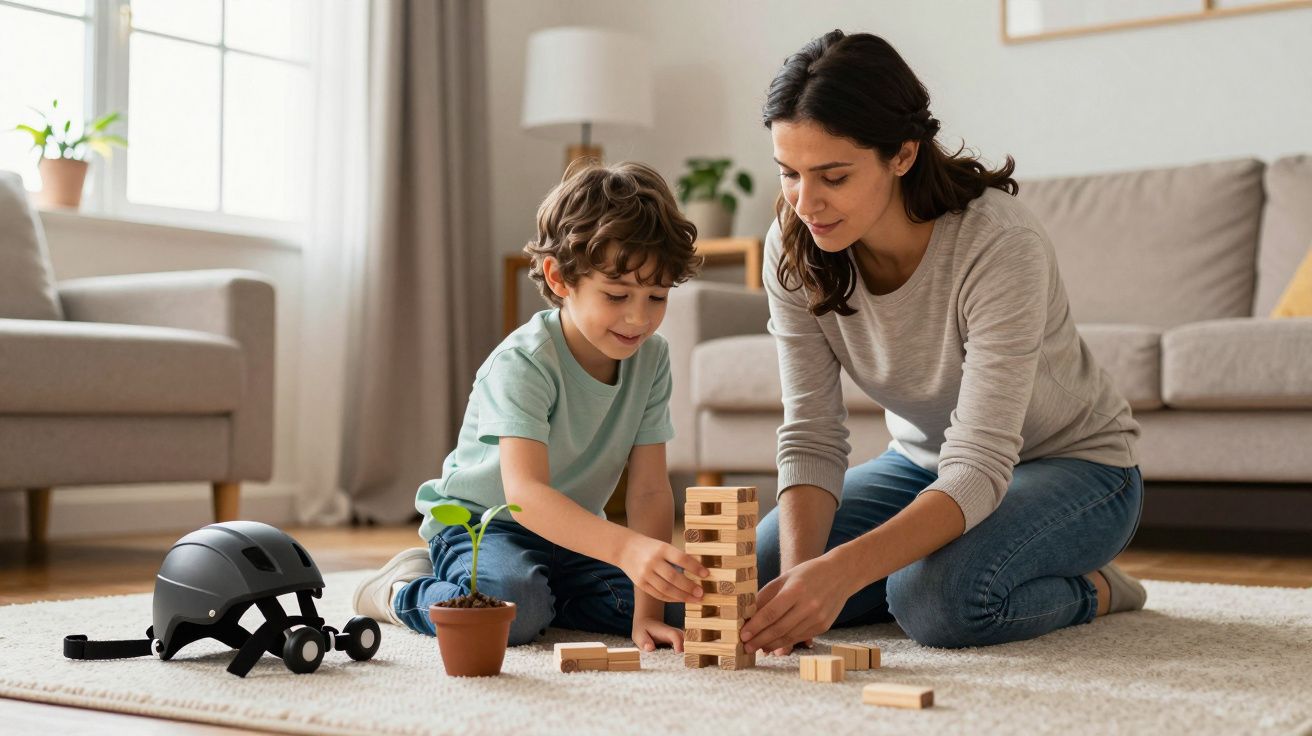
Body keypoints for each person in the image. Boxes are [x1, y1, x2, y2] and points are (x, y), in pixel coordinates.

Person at [741, 30, 1146, 656]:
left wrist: (841, 573)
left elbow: (981, 464)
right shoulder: (793, 245)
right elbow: (813, 433)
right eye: (789, 174)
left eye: (833, 175)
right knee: (764, 578)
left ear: (902, 155)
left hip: (1074, 467)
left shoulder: (998, 243)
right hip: (922, 466)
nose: (806, 202)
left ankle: (1096, 588)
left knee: (934, 600)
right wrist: (802, 588)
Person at [353, 161, 710, 650]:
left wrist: (646, 611)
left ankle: (545, 595)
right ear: (560, 278)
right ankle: (401, 590)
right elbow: (526, 497)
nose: (638, 317)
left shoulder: (653, 358)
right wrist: (627, 549)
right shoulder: (525, 361)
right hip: (487, 525)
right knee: (511, 612)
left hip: (575, 535)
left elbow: (649, 491)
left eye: (656, 296)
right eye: (616, 294)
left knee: (681, 603)